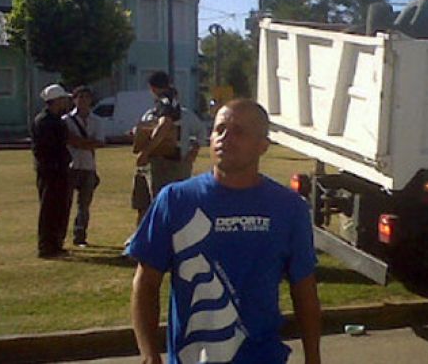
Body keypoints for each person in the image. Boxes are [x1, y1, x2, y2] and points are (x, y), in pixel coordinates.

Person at [127, 99, 321, 364]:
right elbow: (146, 282)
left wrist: (313, 357)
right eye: (219, 129)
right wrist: (150, 355)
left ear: (263, 145)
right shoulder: (176, 200)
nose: (225, 138)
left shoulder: (288, 208)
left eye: (238, 132)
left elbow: (304, 289)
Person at [134, 71, 207, 200]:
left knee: (166, 202)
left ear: (152, 88)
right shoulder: (155, 111)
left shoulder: (166, 102)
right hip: (160, 161)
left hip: (172, 162)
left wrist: (146, 151)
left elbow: (165, 124)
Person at [32, 83, 73, 258]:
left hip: (59, 169)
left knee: (59, 207)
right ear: (56, 100)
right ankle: (46, 246)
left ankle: (55, 243)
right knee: (49, 208)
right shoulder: (45, 122)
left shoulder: (54, 120)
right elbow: (47, 148)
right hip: (51, 171)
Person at [63, 85, 106, 247]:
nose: (83, 101)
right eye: (79, 97)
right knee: (65, 203)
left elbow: (100, 142)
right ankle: (60, 234)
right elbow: (68, 139)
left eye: (86, 97)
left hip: (88, 166)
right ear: (74, 100)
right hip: (70, 166)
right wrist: (86, 143)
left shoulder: (97, 121)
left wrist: (80, 143)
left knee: (84, 205)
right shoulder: (66, 120)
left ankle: (80, 236)